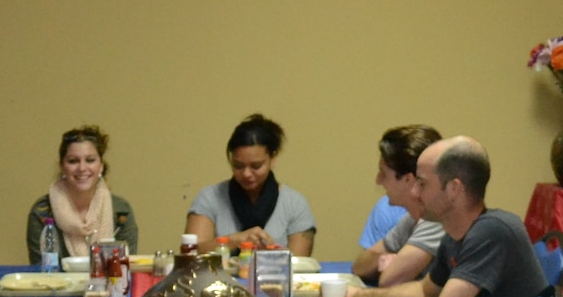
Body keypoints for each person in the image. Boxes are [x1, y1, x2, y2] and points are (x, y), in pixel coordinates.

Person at [352, 138, 549, 297]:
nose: (414, 193)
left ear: (454, 188)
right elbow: (425, 291)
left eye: (422, 184)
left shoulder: (493, 231)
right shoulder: (454, 236)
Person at [184, 114, 317, 256]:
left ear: (272, 159)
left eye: (256, 166)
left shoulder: (295, 204)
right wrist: (235, 240)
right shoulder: (210, 198)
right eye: (238, 166)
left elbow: (299, 266)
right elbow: (191, 255)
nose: (247, 174)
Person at [349, 124, 444, 288]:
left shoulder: (435, 220)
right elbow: (359, 266)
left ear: (408, 180)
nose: (378, 180)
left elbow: (389, 280)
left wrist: (394, 263)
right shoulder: (412, 219)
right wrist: (386, 260)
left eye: (384, 173)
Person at [26, 125, 139, 264]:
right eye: (73, 161)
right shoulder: (42, 213)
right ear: (62, 167)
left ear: (101, 166)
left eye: (90, 160)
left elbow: (124, 269)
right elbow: (40, 271)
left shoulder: (122, 212)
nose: (82, 168)